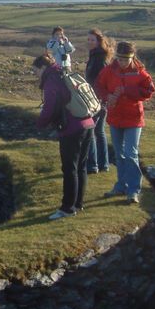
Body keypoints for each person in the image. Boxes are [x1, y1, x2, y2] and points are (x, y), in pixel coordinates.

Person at [34, 52, 95, 219]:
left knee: (70, 169)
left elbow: (50, 107)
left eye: (36, 71)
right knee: (81, 166)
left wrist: (40, 123)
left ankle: (67, 209)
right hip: (87, 123)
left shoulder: (51, 80)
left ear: (43, 67)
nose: (36, 75)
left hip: (72, 129)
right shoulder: (64, 72)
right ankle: (78, 204)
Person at [94, 41, 155, 204]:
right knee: (120, 155)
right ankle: (121, 186)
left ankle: (133, 190)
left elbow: (149, 91)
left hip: (133, 119)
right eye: (119, 59)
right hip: (115, 118)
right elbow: (99, 86)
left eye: (125, 60)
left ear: (132, 57)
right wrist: (107, 96)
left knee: (130, 153)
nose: (121, 63)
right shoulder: (108, 71)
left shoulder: (140, 73)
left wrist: (127, 91)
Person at [85, 28, 113, 174]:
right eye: (88, 39)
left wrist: (98, 99)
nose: (89, 42)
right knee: (99, 131)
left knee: (90, 131)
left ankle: (93, 165)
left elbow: (100, 82)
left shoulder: (99, 59)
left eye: (92, 40)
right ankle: (103, 164)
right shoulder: (96, 55)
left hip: (96, 100)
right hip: (97, 100)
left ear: (98, 41)